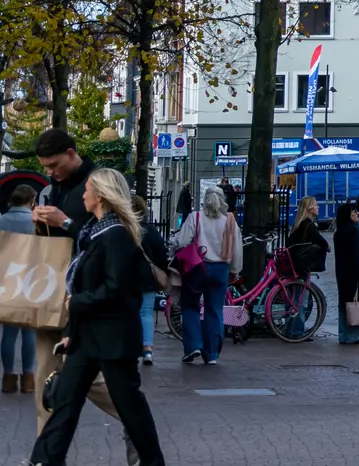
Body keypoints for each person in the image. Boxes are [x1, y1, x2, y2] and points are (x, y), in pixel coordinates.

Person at [27, 169, 167, 466]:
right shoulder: (96, 230)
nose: (83, 194)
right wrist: (70, 330)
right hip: (87, 338)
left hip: (113, 339)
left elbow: (116, 289)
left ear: (100, 196)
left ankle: (152, 461)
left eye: (88, 189)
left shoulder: (115, 235)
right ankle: (44, 460)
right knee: (65, 402)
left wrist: (76, 302)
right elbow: (86, 263)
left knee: (130, 407)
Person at [31, 130, 97, 431]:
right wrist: (42, 221)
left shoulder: (98, 183)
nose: (50, 172)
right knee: (44, 372)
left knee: (87, 374)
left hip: (81, 293)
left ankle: (134, 424)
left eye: (54, 164)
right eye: (45, 166)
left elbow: (107, 238)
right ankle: (45, 454)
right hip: (50, 288)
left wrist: (64, 222)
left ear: (71, 153)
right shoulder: (53, 187)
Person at [171, 187, 240, 365]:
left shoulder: (196, 217)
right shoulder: (230, 220)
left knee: (190, 306)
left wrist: (174, 246)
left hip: (197, 268)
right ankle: (212, 354)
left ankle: (193, 345)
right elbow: (237, 249)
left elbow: (183, 241)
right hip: (220, 269)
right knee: (214, 309)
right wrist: (234, 270)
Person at [0, 183, 36, 393]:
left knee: (9, 333)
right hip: (32, 280)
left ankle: (8, 377)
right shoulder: (35, 221)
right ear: (31, 200)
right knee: (29, 332)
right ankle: (29, 378)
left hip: (7, 280)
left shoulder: (1, 221)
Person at [333, 201, 359, 346]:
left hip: (342, 272)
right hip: (355, 272)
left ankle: (343, 334)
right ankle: (352, 335)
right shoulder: (355, 231)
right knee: (356, 301)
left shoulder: (339, 232)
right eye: (353, 211)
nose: (357, 213)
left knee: (343, 302)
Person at [135, 216, 169, 368]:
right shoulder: (152, 230)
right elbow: (162, 255)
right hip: (149, 277)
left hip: (128, 277)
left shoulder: (124, 229)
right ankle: (147, 350)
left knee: (129, 313)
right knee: (147, 313)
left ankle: (132, 350)